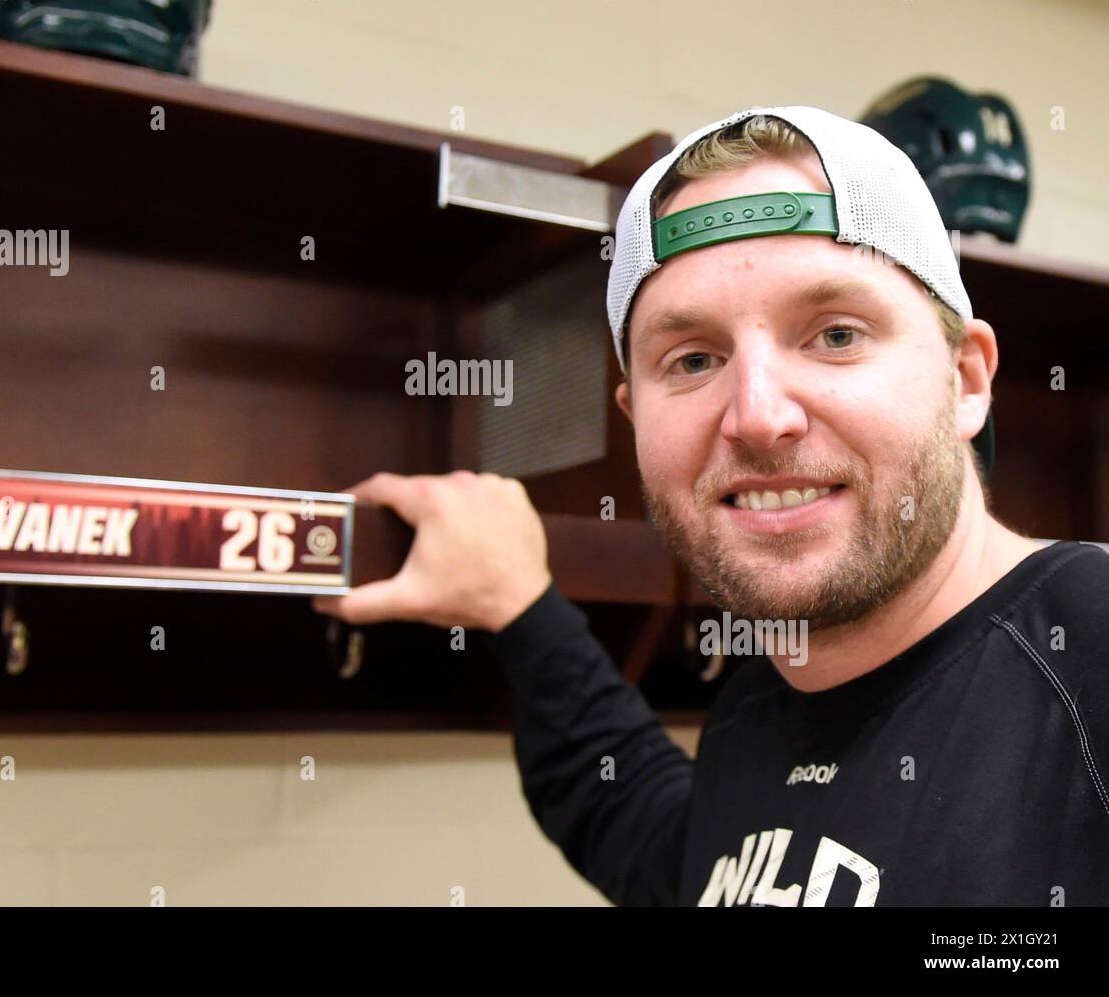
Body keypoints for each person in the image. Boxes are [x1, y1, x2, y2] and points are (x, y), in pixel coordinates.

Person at [312, 106, 1109, 906]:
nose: (758, 415)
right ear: (635, 421)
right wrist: (520, 609)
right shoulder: (760, 707)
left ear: (966, 380)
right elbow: (658, 842)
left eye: (836, 335)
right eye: (692, 359)